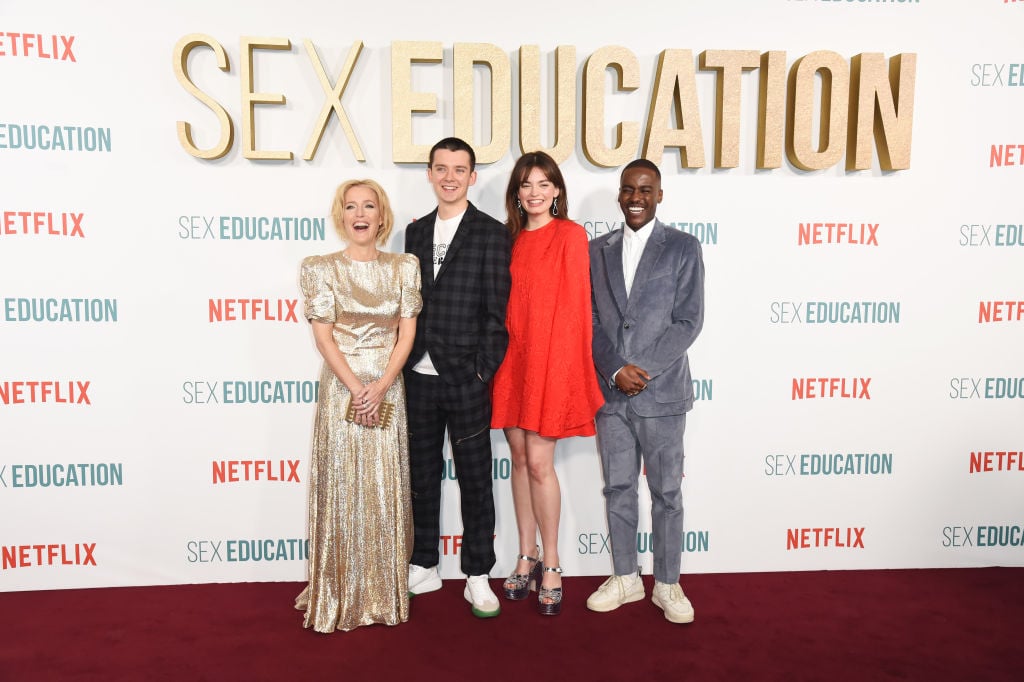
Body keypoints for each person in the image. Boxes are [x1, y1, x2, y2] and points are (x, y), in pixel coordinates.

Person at [295, 179, 422, 633]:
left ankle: (380, 590)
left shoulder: (404, 267)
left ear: (381, 215)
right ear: (341, 215)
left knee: (384, 487)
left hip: (388, 383)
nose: (360, 213)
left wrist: (383, 383)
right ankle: (338, 589)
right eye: (351, 206)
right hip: (341, 386)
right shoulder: (319, 268)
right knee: (344, 485)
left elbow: (406, 333)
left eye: (369, 205)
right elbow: (323, 335)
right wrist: (356, 387)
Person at [586, 159, 705, 624]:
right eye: (628, 189)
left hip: (662, 395)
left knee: (666, 493)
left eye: (645, 189)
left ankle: (669, 583)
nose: (636, 197)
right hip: (612, 395)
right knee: (617, 487)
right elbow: (591, 321)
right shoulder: (596, 251)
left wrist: (644, 369)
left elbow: (688, 320)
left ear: (659, 195)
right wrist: (616, 369)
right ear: (619, 195)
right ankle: (625, 577)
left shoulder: (682, 247)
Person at [490, 151, 605, 616]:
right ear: (516, 193)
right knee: (518, 459)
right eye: (525, 184)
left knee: (540, 463)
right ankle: (526, 553)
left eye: (543, 183)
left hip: (550, 366)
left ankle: (553, 562)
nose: (534, 192)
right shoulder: (507, 241)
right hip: (510, 363)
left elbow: (577, 312)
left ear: (556, 190)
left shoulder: (570, 236)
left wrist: (561, 374)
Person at [403, 137, 512, 618]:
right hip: (418, 376)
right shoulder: (413, 232)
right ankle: (424, 562)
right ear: (429, 173)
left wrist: (482, 370)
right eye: (441, 168)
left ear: (472, 177)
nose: (449, 176)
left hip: (466, 378)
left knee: (475, 481)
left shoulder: (491, 233)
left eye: (459, 169)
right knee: (422, 476)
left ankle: (477, 574)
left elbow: (497, 311)